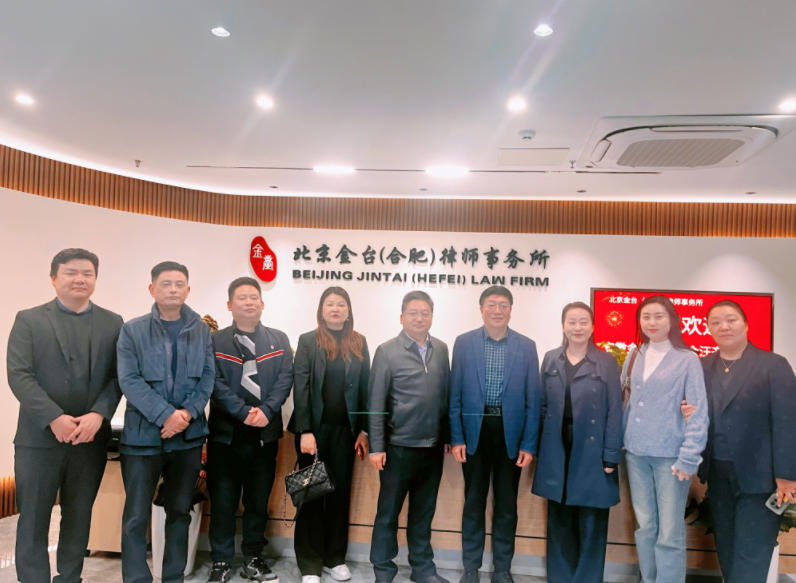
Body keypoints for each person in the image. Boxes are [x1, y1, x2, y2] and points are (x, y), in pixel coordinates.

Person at [6, 248, 123, 583]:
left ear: (95, 279)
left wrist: (99, 414)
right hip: (38, 439)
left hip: (90, 439)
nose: (79, 279)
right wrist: (54, 417)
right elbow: (19, 374)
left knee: (79, 514)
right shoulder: (29, 319)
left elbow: (118, 377)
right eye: (71, 272)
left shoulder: (113, 323)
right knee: (33, 517)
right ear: (54, 278)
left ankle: (70, 577)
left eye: (87, 273)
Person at [117, 261, 214, 583]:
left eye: (179, 284)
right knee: (135, 516)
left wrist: (185, 415)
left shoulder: (201, 330)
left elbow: (208, 378)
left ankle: (174, 577)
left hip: (187, 438)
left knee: (179, 513)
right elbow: (129, 380)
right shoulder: (132, 330)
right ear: (152, 289)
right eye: (166, 284)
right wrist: (165, 415)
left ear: (188, 289)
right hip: (142, 438)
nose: (173, 289)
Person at [696, 299, 796, 582]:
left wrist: (787, 476)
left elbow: (788, 421)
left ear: (746, 324)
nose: (724, 327)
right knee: (726, 548)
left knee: (752, 552)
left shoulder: (773, 365)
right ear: (708, 328)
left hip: (761, 477)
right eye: (715, 322)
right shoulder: (703, 366)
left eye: (731, 320)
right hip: (718, 473)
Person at [449, 285, 540, 583]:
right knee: (473, 502)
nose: (497, 310)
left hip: (510, 433)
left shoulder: (526, 346)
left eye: (503, 305)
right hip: (474, 433)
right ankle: (470, 568)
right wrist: (457, 437)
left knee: (506, 505)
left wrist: (529, 443)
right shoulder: (464, 343)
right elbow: (455, 395)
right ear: (481, 309)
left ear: (511, 310)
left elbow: (533, 400)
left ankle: (502, 569)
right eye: (491, 304)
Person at [206, 277, 293, 583]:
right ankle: (220, 561)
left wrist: (266, 411)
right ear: (230, 305)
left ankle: (254, 558)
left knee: (257, 502)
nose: (249, 302)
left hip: (264, 436)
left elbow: (285, 379)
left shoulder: (278, 340)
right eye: (242, 297)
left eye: (254, 297)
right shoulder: (214, 342)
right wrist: (243, 412)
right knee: (223, 502)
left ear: (262, 303)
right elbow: (213, 382)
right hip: (225, 435)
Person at [532, 301, 622, 583]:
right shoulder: (551, 359)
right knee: (559, 518)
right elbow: (542, 405)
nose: (577, 327)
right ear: (563, 326)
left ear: (593, 327)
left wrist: (611, 455)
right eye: (572, 322)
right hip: (557, 448)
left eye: (583, 321)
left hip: (593, 449)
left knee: (591, 520)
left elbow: (615, 410)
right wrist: (538, 449)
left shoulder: (606, 361)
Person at [621, 295, 708, 583]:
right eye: (646, 316)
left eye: (659, 316)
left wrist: (689, 457)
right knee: (645, 526)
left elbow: (698, 411)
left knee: (669, 532)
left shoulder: (687, 359)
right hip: (635, 454)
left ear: (672, 320)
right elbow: (625, 401)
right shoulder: (635, 354)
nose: (652, 322)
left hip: (671, 456)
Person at [288, 286, 370, 583]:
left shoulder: (359, 342)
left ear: (348, 311)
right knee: (311, 494)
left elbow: (366, 388)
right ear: (322, 310)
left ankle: (335, 558)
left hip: (346, 432)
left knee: (339, 495)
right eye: (330, 304)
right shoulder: (308, 341)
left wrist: (364, 430)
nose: (335, 308)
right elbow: (301, 386)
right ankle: (310, 563)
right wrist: (305, 430)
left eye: (341, 304)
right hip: (314, 432)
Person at [368, 290, 450, 583]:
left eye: (425, 313)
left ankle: (423, 569)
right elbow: (376, 403)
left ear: (432, 317)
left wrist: (447, 435)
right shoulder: (387, 351)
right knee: (388, 513)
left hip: (432, 447)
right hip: (397, 448)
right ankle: (383, 570)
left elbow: (445, 396)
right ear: (402, 317)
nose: (419, 318)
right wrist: (376, 447)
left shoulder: (441, 349)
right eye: (413, 313)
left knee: (423, 513)